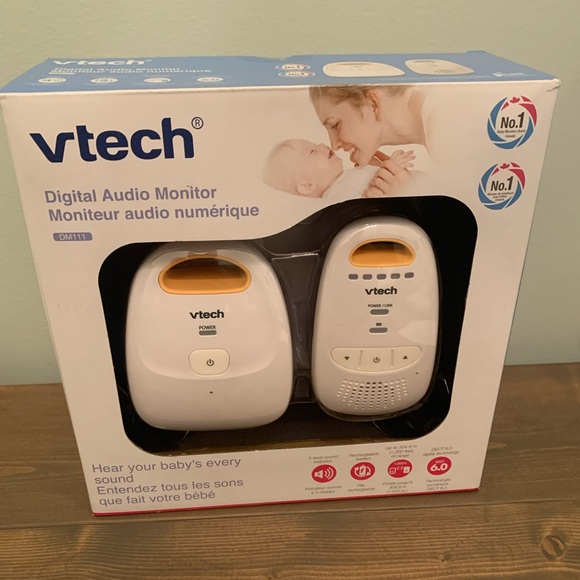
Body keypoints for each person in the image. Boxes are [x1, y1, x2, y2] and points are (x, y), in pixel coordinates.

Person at [309, 85, 430, 196]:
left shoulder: (438, 125)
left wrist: (409, 193)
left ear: (373, 104)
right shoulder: (433, 124)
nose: (334, 145)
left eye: (335, 125)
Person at [263, 138, 414, 201]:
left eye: (315, 144)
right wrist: (391, 168)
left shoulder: (343, 179)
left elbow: (372, 179)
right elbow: (365, 207)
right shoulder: (335, 195)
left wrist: (369, 160)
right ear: (307, 186)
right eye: (312, 151)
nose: (322, 145)